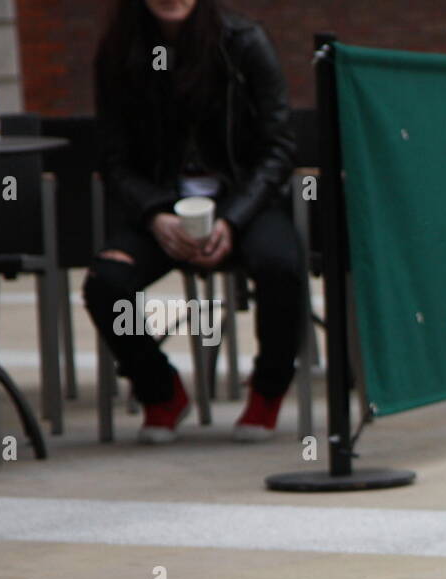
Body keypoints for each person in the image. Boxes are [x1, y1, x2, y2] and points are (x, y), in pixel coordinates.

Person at [84, 0, 302, 443]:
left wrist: (232, 219)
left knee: (281, 265)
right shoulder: (118, 54)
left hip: (245, 203)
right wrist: (155, 215)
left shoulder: (244, 42)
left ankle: (268, 390)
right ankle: (161, 392)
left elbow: (279, 147)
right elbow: (114, 158)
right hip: (160, 209)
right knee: (105, 281)